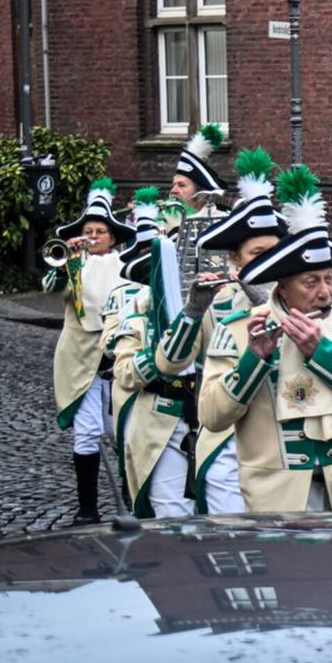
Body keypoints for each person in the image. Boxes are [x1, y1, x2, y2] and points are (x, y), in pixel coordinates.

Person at [203, 166, 332, 513]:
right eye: (311, 282)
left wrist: (323, 353)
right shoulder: (239, 328)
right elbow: (212, 415)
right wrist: (254, 361)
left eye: (329, 278)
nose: (325, 292)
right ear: (283, 287)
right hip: (277, 496)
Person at [153, 147, 283, 514]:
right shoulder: (219, 301)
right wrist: (193, 312)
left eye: (274, 252)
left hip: (282, 441)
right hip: (227, 441)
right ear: (234, 259)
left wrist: (260, 296)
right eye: (257, 254)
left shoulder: (303, 297)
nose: (267, 262)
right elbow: (170, 362)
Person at [104, 189, 199, 519]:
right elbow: (124, 371)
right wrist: (162, 356)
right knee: (171, 514)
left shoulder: (216, 306)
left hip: (213, 421)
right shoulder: (138, 308)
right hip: (162, 419)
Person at [46, 178, 134, 524]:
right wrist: (67, 259)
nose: (93, 237)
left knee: (123, 432)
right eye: (88, 231)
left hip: (116, 359)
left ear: (112, 237)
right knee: (86, 431)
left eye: (100, 232)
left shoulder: (125, 264)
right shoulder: (73, 263)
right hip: (80, 359)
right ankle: (88, 508)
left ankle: (133, 498)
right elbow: (53, 288)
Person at [162, 123, 228, 235]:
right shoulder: (168, 219)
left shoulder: (220, 222)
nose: (173, 190)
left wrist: (175, 232)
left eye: (182, 185)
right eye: (174, 185)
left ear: (201, 193)